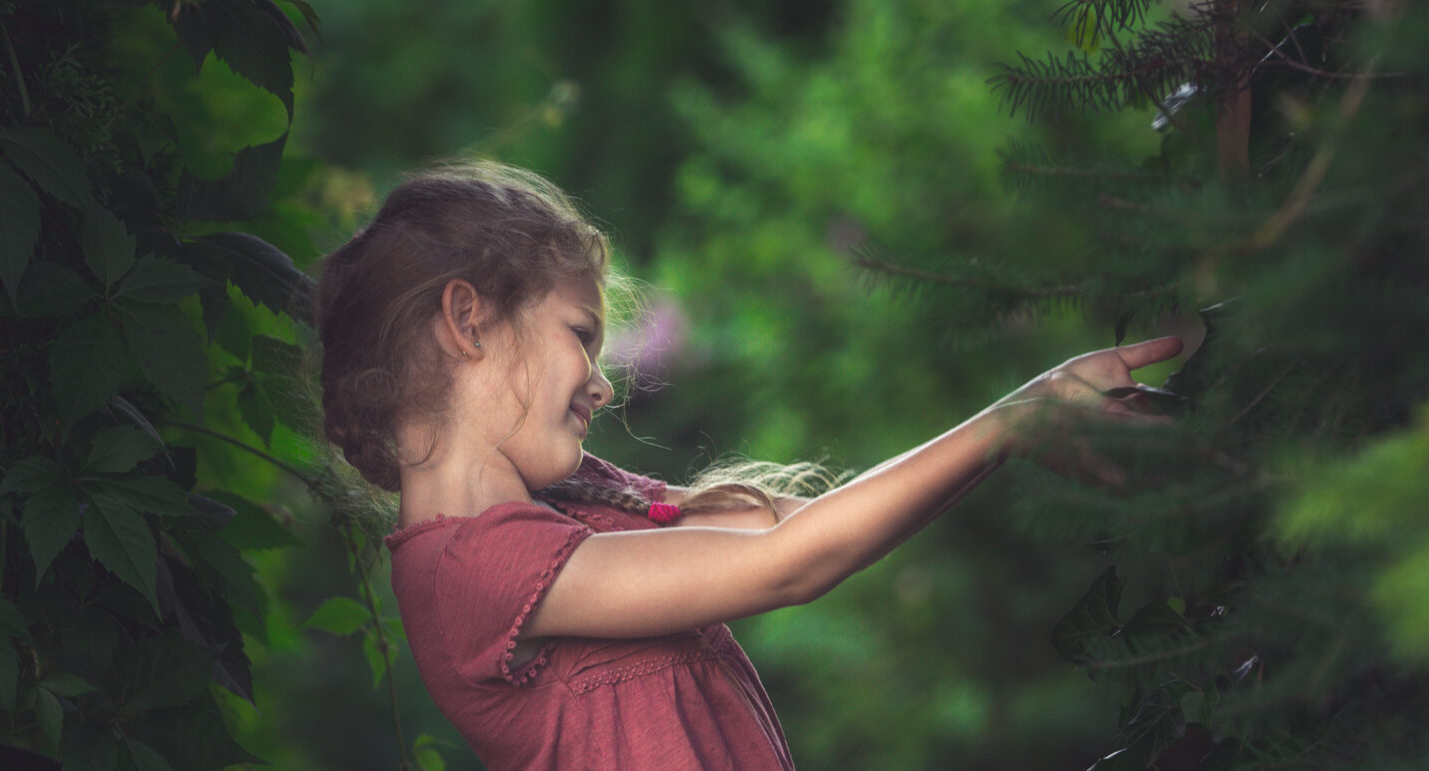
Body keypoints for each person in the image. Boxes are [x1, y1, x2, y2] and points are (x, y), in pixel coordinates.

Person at [312, 161, 1183, 770]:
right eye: (581, 335)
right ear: (468, 322)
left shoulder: (572, 514)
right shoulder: (465, 568)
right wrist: (1018, 416)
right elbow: (790, 561)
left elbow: (778, 531)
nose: (602, 384)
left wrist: (1023, 430)